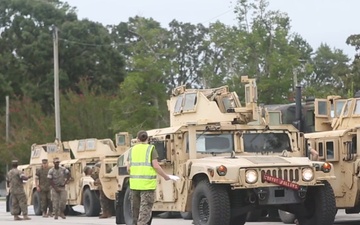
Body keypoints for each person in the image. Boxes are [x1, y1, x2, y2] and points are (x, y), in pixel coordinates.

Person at [127, 130, 179, 225]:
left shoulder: (131, 150)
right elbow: (155, 166)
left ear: (137, 139)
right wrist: (166, 176)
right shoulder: (151, 149)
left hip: (134, 186)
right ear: (147, 138)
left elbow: (128, 168)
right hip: (147, 186)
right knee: (145, 211)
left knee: (136, 212)